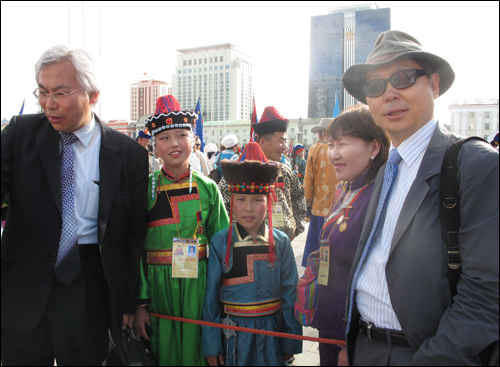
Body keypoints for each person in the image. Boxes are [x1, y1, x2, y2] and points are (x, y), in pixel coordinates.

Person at [341, 30, 499, 365]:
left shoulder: (475, 165)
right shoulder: (388, 168)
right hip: (366, 348)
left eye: (404, 77)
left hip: (424, 354)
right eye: (375, 86)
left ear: (435, 85)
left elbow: (488, 293)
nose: (390, 93)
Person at [1, 44, 149, 365]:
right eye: (42, 92)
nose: (48, 104)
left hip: (88, 283)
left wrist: (129, 300)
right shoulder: (20, 134)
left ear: (93, 95)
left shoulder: (128, 155)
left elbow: (132, 238)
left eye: (61, 93)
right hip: (23, 282)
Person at [133, 95, 230, 366]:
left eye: (181, 135)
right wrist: (140, 304)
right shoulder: (144, 189)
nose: (174, 144)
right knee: (163, 351)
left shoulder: (207, 188)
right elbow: (134, 247)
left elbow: (222, 245)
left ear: (193, 140)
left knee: (198, 351)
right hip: (157, 287)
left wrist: (221, 298)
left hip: (198, 286)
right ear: (154, 146)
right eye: (164, 138)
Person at [202, 143, 302, 366]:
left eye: (257, 200)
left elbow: (290, 294)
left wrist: (290, 340)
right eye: (241, 199)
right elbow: (210, 298)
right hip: (233, 336)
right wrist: (211, 343)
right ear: (231, 202)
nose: (248, 208)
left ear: (269, 202)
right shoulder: (220, 242)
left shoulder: (281, 242)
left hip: (272, 333)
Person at [310, 105, 389, 366]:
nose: (333, 154)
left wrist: (350, 342)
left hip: (351, 336)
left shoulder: (377, 198)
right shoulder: (347, 188)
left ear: (374, 148)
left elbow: (373, 280)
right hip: (330, 323)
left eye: (343, 144)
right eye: (332, 145)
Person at [302, 118, 340, 266]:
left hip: (319, 208)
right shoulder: (340, 149)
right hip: (339, 207)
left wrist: (308, 205)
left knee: (316, 248)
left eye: (319, 132)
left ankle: (315, 272)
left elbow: (308, 179)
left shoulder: (314, 149)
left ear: (323, 132)